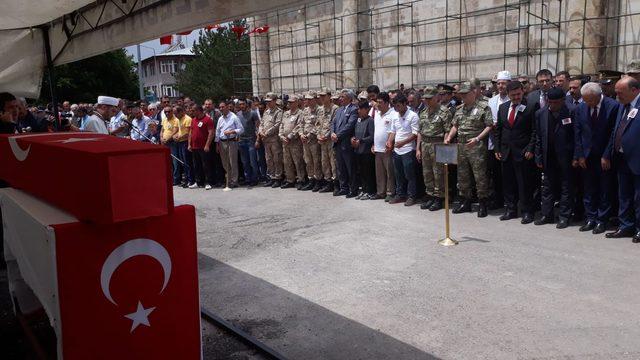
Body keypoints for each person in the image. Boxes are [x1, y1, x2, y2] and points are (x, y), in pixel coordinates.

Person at [573, 82, 618, 234]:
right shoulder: (581, 108)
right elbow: (577, 133)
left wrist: (606, 155)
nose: (588, 103)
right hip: (586, 156)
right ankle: (590, 218)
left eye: (590, 100)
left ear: (599, 95)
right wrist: (579, 155)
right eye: (585, 100)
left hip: (604, 156)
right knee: (588, 188)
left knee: (605, 189)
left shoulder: (612, 106)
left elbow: (614, 133)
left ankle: (602, 220)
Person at [445, 81, 494, 217]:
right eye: (462, 95)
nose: (463, 97)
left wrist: (477, 138)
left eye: (466, 94)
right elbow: (455, 125)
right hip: (461, 146)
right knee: (463, 175)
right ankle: (465, 201)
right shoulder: (460, 109)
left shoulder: (484, 107)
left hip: (476, 146)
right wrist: (449, 137)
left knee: (480, 175)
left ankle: (483, 203)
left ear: (473, 93)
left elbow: (489, 125)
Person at [603, 77, 640, 242]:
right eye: (616, 92)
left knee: (639, 197)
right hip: (621, 158)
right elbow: (615, 131)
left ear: (634, 90)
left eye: (620, 92)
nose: (617, 95)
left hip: (637, 159)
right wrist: (607, 154)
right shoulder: (622, 107)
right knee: (623, 195)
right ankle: (625, 226)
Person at [494, 81, 537, 224]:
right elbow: (499, 129)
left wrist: (530, 149)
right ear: (508, 95)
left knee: (524, 184)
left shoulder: (531, 106)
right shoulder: (503, 107)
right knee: (508, 183)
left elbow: (534, 131)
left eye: (518, 94)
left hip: (523, 152)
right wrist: (497, 148)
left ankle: (527, 212)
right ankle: (511, 210)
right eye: (513, 95)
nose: (516, 97)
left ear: (523, 91)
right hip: (506, 152)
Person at [534, 87, 575, 229]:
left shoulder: (571, 111)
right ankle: (547, 214)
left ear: (563, 101)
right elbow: (538, 137)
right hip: (548, 157)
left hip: (566, 157)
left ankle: (564, 216)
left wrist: (575, 156)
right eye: (550, 102)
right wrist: (538, 157)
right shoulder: (540, 114)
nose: (553, 105)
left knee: (566, 188)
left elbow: (576, 136)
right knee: (547, 187)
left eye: (556, 102)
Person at [416, 86, 452, 211]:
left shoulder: (444, 112)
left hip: (438, 144)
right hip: (425, 144)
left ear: (437, 97)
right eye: (426, 99)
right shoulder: (423, 112)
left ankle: (439, 198)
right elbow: (420, 132)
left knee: (439, 173)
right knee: (427, 173)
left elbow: (448, 130)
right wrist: (418, 149)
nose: (427, 101)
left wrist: (444, 148)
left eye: (430, 98)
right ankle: (430, 195)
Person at [387, 94, 419, 206]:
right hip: (397, 150)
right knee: (398, 174)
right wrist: (390, 141)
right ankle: (400, 194)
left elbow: (415, 134)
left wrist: (403, 143)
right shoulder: (395, 115)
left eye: (399, 106)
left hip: (408, 150)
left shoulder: (413, 116)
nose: (397, 108)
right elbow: (393, 131)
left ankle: (411, 196)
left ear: (405, 104)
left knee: (409, 175)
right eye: (395, 106)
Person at [331, 89, 358, 197]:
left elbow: (350, 126)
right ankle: (344, 187)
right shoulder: (339, 110)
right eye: (340, 97)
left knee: (350, 167)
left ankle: (353, 189)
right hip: (337, 143)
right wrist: (332, 133)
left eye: (343, 97)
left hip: (346, 143)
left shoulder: (353, 109)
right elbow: (333, 123)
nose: (340, 99)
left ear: (349, 98)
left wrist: (338, 135)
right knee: (340, 167)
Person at [373, 92, 397, 202]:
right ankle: (380, 192)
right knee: (379, 172)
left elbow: (394, 131)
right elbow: (376, 131)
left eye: (380, 102)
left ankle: (390, 192)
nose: (378, 104)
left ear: (387, 103)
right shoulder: (377, 114)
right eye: (377, 102)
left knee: (389, 172)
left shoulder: (393, 114)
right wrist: (373, 144)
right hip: (377, 148)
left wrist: (389, 143)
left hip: (388, 148)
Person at [279, 95, 306, 189]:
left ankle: (301, 179)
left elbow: (299, 126)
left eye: (291, 102)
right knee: (287, 162)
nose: (289, 103)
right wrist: (281, 135)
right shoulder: (286, 113)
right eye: (289, 102)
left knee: (298, 161)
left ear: (297, 102)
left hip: (295, 142)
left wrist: (290, 136)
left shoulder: (300, 113)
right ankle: (290, 180)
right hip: (285, 142)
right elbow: (282, 125)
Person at [258, 93, 284, 188]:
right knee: (268, 159)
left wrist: (267, 132)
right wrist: (261, 132)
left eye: (269, 101)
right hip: (266, 140)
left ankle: (278, 178)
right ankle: (272, 177)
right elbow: (261, 123)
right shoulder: (266, 112)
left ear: (274, 101)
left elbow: (277, 124)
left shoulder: (279, 112)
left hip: (274, 139)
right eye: (267, 102)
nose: (268, 103)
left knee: (276, 159)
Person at [215, 101, 244, 188]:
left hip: (231, 142)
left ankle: (234, 181)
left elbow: (241, 129)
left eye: (223, 107)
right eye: (220, 107)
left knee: (232, 162)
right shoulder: (220, 118)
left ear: (227, 107)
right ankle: (229, 179)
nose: (221, 109)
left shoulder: (234, 117)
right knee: (225, 163)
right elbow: (217, 131)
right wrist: (217, 143)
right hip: (222, 142)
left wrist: (232, 131)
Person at [317, 89, 339, 193]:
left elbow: (334, 124)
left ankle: (336, 184)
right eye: (320, 96)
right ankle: (328, 182)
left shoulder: (335, 108)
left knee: (333, 162)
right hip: (322, 140)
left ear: (329, 96)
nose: (321, 98)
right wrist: (318, 135)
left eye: (324, 96)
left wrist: (326, 135)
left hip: (330, 140)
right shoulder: (320, 109)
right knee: (324, 162)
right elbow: (317, 124)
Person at [299, 91, 323, 191]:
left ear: (315, 99)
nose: (307, 101)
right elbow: (301, 124)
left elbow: (318, 125)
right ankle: (311, 179)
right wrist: (301, 134)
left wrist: (309, 135)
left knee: (316, 161)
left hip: (313, 141)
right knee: (308, 161)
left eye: (309, 99)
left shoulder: (319, 110)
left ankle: (318, 181)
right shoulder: (305, 111)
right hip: (305, 140)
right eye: (306, 99)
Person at [352, 102, 376, 199]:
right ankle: (364, 190)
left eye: (360, 109)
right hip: (358, 151)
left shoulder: (370, 120)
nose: (358, 111)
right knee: (361, 172)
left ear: (366, 109)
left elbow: (371, 136)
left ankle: (370, 191)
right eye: (358, 109)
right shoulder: (358, 120)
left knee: (368, 173)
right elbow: (355, 132)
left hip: (366, 151)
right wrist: (353, 139)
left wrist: (361, 141)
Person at [189, 105, 216, 190]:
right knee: (196, 165)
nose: (192, 112)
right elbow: (191, 132)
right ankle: (198, 181)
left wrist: (207, 145)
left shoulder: (208, 120)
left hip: (204, 147)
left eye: (193, 111)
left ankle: (208, 182)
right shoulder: (193, 120)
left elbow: (211, 133)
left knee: (206, 165)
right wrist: (189, 144)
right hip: (194, 147)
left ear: (199, 111)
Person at [236, 99, 260, 186]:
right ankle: (248, 179)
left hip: (251, 141)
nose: (241, 106)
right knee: (245, 162)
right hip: (241, 141)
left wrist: (258, 140)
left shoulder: (253, 113)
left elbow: (258, 127)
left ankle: (255, 178)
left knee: (253, 161)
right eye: (240, 104)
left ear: (246, 104)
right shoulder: (238, 115)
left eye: (243, 104)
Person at [174, 106, 194, 187]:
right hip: (180, 142)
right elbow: (180, 131)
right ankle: (186, 179)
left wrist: (180, 137)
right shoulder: (179, 119)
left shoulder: (187, 119)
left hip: (185, 142)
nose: (175, 115)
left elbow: (189, 132)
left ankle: (191, 180)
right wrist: (175, 136)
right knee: (182, 162)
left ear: (181, 112)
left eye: (176, 113)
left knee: (187, 162)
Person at [161, 106, 181, 185]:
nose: (167, 113)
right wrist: (161, 138)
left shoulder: (176, 120)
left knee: (175, 162)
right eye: (165, 112)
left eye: (169, 111)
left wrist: (168, 139)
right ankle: (170, 178)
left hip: (172, 143)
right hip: (165, 143)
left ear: (172, 112)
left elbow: (175, 131)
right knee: (168, 162)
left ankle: (176, 180)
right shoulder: (164, 120)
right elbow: (162, 130)